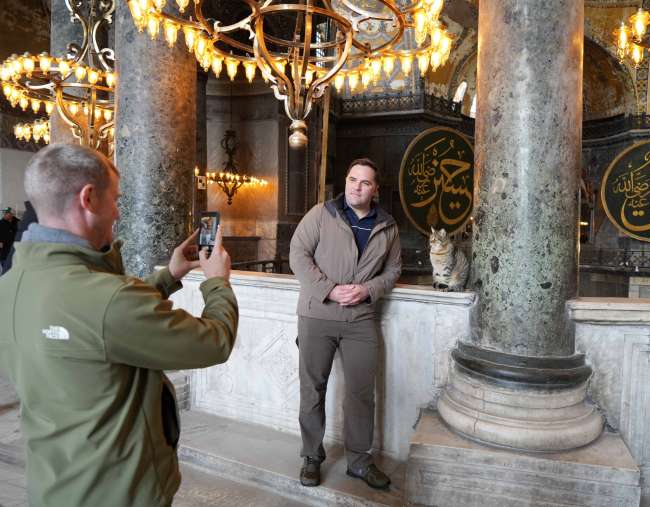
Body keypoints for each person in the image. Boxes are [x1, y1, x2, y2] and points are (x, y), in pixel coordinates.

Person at [0, 144, 238, 507]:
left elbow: (96, 322)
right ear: (89, 198)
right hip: (117, 490)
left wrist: (167, 276)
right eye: (116, 199)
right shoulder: (109, 301)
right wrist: (217, 282)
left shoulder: (11, 284)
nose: (117, 212)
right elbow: (215, 342)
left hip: (53, 483)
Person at [289, 157, 401, 490]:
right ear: (346, 181)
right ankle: (311, 455)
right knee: (312, 389)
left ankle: (360, 462)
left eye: (365, 183)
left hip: (361, 319)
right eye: (353, 180)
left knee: (362, 394)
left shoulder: (388, 226)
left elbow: (393, 271)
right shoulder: (322, 214)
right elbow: (298, 253)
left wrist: (368, 289)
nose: (357, 187)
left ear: (375, 190)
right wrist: (330, 290)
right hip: (317, 314)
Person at [1, 200, 37, 273]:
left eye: (6, 213)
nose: (4, 215)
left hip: (16, 249)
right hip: (4, 252)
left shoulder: (18, 222)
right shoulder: (1, 223)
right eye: (4, 213)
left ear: (11, 214)